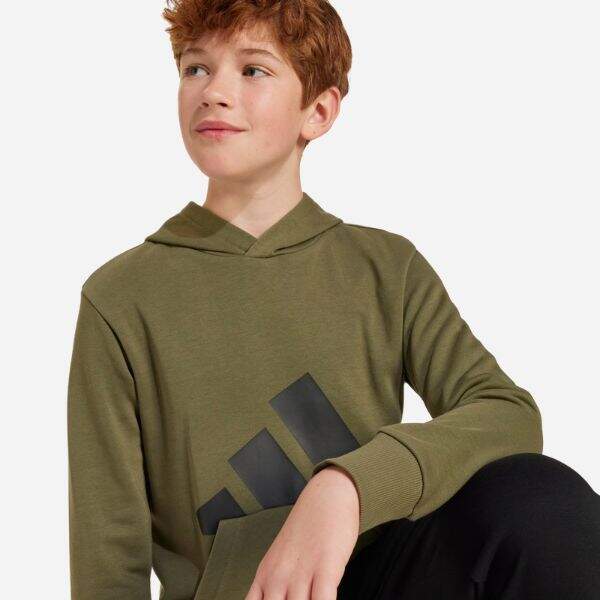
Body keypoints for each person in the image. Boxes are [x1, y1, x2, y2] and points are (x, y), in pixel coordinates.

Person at [66, 1, 600, 599]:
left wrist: (348, 486)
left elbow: (508, 413)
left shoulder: (385, 268)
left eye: (253, 69)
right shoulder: (121, 298)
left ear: (318, 111)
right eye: (196, 69)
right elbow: (109, 558)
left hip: (387, 578)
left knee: (541, 498)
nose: (213, 92)